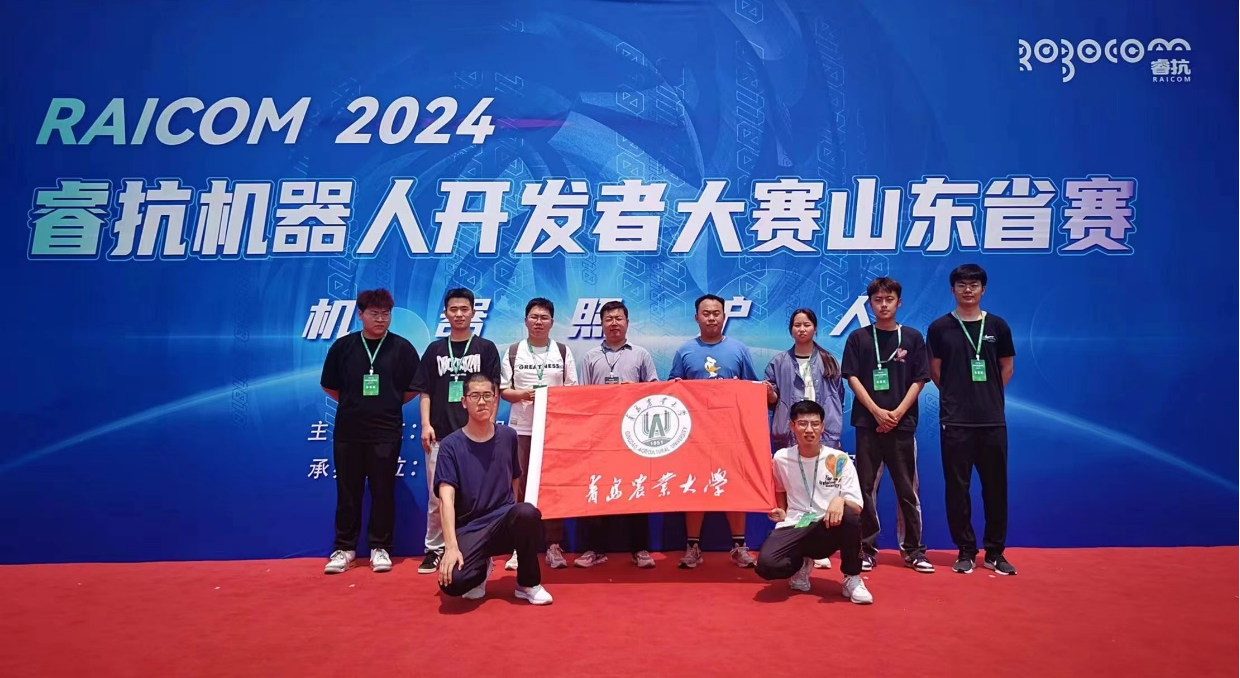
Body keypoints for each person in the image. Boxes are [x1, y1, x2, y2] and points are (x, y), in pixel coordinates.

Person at [319, 288, 420, 574]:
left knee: (383, 490)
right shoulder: (344, 347)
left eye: (386, 314)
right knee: (347, 491)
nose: (381, 319)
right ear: (360, 315)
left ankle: (380, 547)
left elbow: (413, 387)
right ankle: (344, 548)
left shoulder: (402, 348)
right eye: (374, 314)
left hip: (386, 431)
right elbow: (329, 385)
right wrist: (354, 403)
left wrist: (387, 402)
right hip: (348, 431)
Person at [927, 264, 1017, 576]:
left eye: (974, 284)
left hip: (992, 421)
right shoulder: (940, 327)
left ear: (983, 289)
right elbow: (935, 371)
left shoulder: (998, 326)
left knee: (996, 488)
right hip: (956, 421)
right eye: (962, 285)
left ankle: (995, 552)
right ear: (952, 289)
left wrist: (987, 395)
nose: (968, 290)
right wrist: (959, 396)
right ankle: (965, 550)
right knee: (957, 488)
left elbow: (1007, 367)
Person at [435, 373, 553, 605]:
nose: (482, 402)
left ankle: (527, 584)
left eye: (488, 395)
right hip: (470, 528)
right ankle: (480, 569)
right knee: (453, 583)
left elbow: (514, 479)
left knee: (527, 513)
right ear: (464, 401)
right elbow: (445, 500)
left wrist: (514, 519)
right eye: (475, 396)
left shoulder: (509, 436)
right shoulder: (450, 445)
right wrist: (450, 547)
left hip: (502, 521)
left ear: (496, 399)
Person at [841, 277, 933, 573]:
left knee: (908, 490)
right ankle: (866, 549)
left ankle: (914, 551)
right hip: (868, 425)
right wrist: (877, 412)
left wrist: (896, 414)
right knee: (865, 489)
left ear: (899, 302)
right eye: (878, 300)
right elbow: (852, 377)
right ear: (870, 303)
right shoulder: (858, 338)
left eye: (889, 299)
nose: (883, 305)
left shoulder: (913, 337)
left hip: (902, 426)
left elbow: (920, 379)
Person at [411, 288, 502, 575]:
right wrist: (426, 424)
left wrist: (490, 426)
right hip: (441, 436)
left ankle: (479, 545)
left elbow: (495, 391)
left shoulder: (486, 348)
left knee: (479, 495)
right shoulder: (435, 350)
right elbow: (424, 390)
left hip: (477, 436)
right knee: (437, 496)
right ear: (446, 313)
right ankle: (434, 547)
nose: (459, 314)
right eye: (453, 309)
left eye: (464, 309)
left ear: (474, 312)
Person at [668, 294, 759, 569]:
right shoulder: (684, 351)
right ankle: (693, 547)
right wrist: (676, 386)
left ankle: (739, 546)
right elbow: (671, 391)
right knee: (694, 487)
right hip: (694, 436)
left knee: (735, 486)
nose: (711, 318)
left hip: (732, 434)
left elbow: (754, 389)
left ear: (724, 316)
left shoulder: (739, 350)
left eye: (716, 313)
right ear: (696, 317)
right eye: (705, 313)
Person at [754, 401, 873, 604]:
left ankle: (852, 577)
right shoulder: (781, 458)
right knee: (766, 566)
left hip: (826, 527)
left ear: (822, 427)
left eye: (815, 424)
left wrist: (839, 499)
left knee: (850, 515)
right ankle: (801, 564)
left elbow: (857, 505)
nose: (809, 430)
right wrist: (782, 510)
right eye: (802, 424)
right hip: (795, 525)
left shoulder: (839, 459)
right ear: (792, 426)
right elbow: (780, 488)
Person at [574, 300, 659, 569]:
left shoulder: (641, 355)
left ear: (627, 323)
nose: (614, 324)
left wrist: (637, 389)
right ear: (601, 324)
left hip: (635, 435)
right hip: (600, 435)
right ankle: (595, 549)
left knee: (637, 489)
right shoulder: (590, 357)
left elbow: (656, 392)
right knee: (597, 489)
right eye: (608, 319)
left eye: (619, 318)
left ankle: (640, 549)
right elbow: (583, 397)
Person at [762, 308, 845, 571]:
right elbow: (771, 399)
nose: (802, 329)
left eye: (806, 324)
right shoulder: (778, 362)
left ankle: (819, 546)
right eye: (797, 325)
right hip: (790, 434)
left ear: (815, 328)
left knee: (823, 489)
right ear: (790, 330)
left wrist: (829, 423)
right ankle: (792, 542)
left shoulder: (829, 360)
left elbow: (839, 396)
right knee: (792, 490)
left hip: (823, 434)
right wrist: (768, 392)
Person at [499, 297, 578, 570]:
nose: (538, 322)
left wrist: (552, 398)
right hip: (521, 429)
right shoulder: (513, 351)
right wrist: (522, 394)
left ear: (552, 322)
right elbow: (503, 390)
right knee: (519, 488)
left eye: (544, 317)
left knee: (552, 487)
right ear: (525, 321)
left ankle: (554, 546)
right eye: (534, 317)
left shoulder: (563, 351)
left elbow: (572, 390)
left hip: (553, 431)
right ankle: (518, 548)